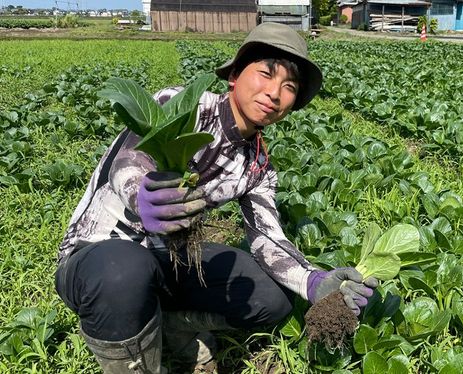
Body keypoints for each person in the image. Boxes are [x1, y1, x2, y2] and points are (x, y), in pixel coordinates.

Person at [55, 22, 378, 374]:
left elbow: (268, 238)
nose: (274, 93)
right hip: (98, 255)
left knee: (273, 298)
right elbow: (129, 161)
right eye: (265, 75)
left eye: (289, 87)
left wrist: (313, 281)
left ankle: (170, 324)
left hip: (168, 261)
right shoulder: (182, 107)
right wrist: (141, 195)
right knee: (123, 271)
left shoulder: (257, 165)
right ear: (235, 76)